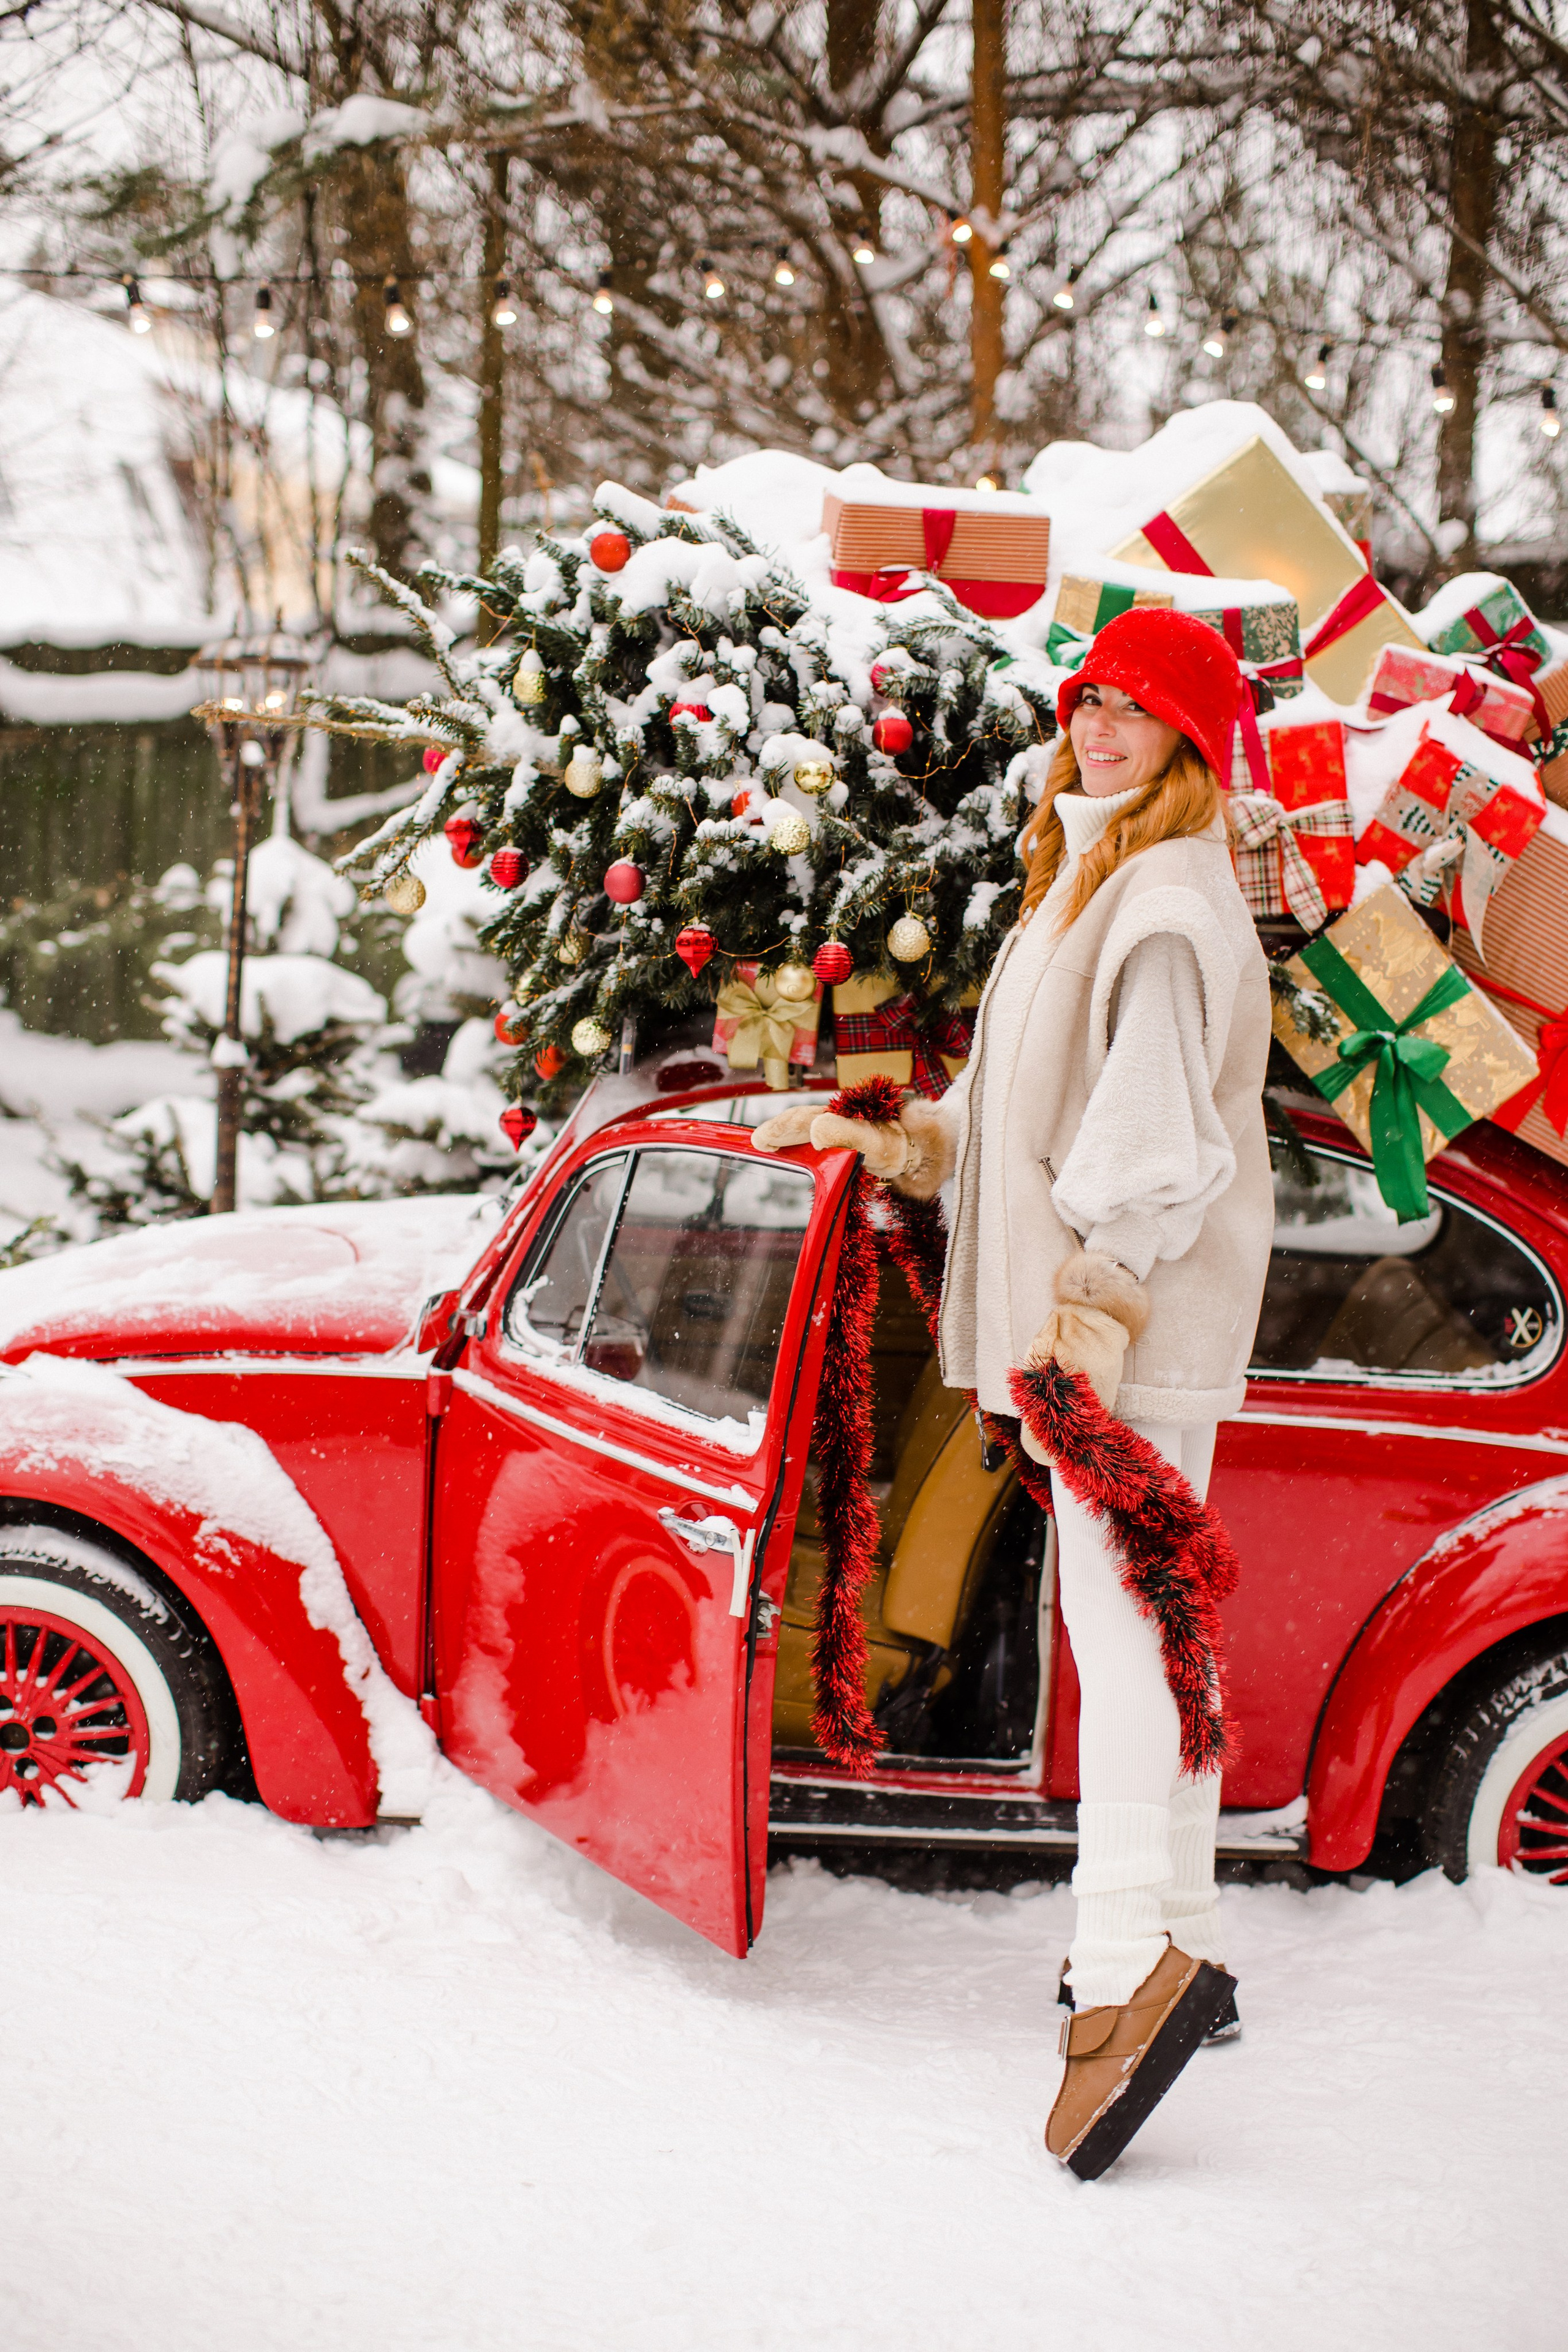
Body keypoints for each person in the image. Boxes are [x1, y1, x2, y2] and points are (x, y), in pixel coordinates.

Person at [755, 606, 1275, 2177]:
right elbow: (1012, 1105)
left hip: (1107, 1332)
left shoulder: (1167, 905)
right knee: (1146, 1624)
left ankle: (1126, 1973)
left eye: (1130, 710)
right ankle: (1178, 1924)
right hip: (1081, 1326)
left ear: (1186, 732)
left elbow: (1148, 1149)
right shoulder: (1081, 874)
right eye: (1085, 704)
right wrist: (903, 1143)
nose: (1096, 729)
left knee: (1118, 1634)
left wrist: (1096, 1313)